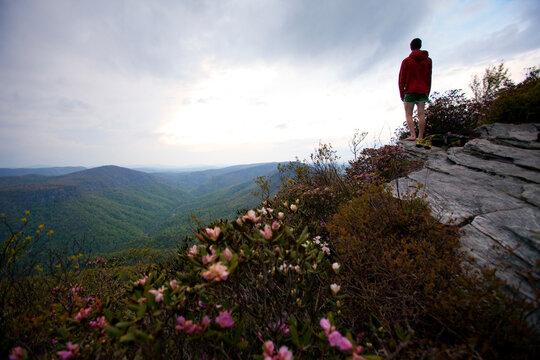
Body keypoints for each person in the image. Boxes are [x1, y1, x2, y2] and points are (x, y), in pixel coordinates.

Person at [399, 38, 432, 141]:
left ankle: (413, 135)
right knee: (421, 114)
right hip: (422, 91)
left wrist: (402, 94)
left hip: (410, 91)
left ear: (411, 47)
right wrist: (427, 91)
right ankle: (421, 137)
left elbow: (401, 79)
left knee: (408, 114)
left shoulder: (407, 61)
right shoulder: (428, 60)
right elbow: (428, 76)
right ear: (420, 46)